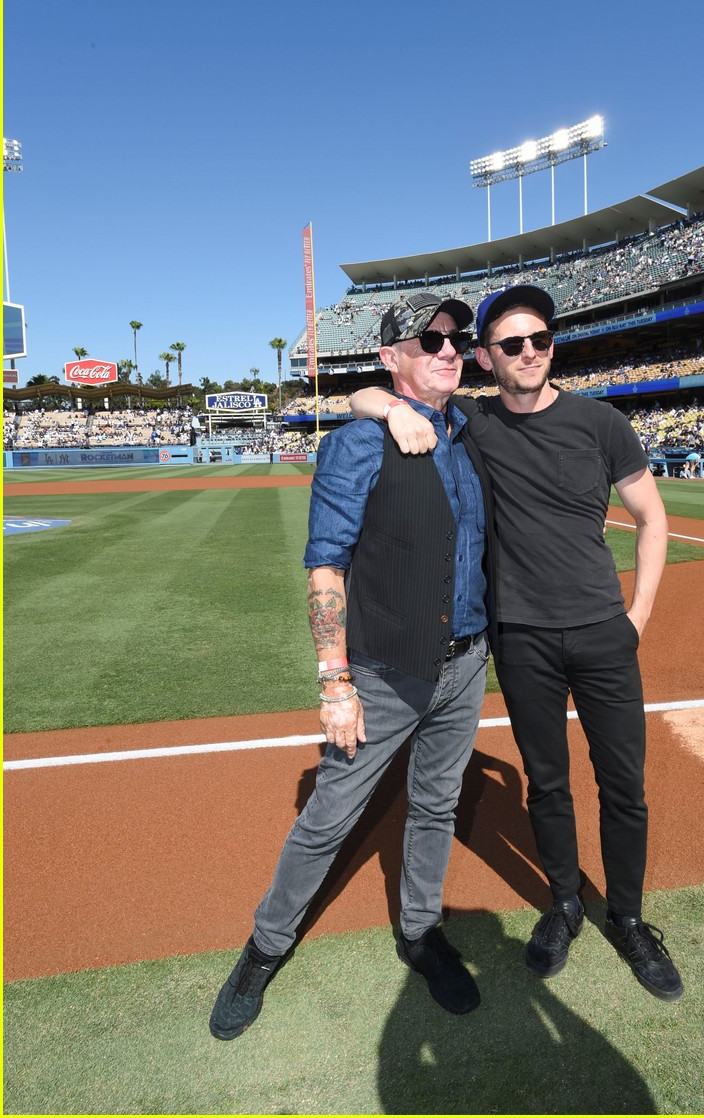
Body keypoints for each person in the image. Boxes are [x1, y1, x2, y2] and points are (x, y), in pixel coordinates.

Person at [350, 282, 683, 1003]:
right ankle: (563, 904)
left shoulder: (601, 424)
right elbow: (368, 398)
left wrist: (637, 616)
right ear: (486, 356)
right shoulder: (473, 422)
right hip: (520, 636)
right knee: (548, 782)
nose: (527, 353)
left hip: (603, 632)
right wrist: (382, 405)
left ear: (552, 346)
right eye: (510, 344)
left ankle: (626, 917)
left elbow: (652, 520)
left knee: (623, 785)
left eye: (538, 340)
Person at [209, 293, 494, 1041]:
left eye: (454, 337)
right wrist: (334, 684)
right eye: (426, 339)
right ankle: (264, 948)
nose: (446, 347)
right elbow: (326, 569)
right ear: (390, 356)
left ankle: (419, 931)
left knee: (436, 804)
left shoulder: (471, 431)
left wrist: (395, 403)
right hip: (382, 671)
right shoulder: (355, 446)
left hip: (466, 662)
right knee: (329, 816)